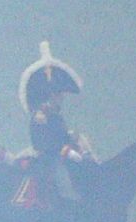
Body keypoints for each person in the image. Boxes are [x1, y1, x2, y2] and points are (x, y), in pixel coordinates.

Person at [20, 41, 93, 206]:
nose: (61, 98)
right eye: (58, 95)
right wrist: (66, 151)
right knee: (64, 182)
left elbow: (60, 136)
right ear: (51, 95)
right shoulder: (40, 116)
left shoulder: (55, 116)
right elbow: (44, 143)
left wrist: (72, 140)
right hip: (48, 161)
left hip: (61, 155)